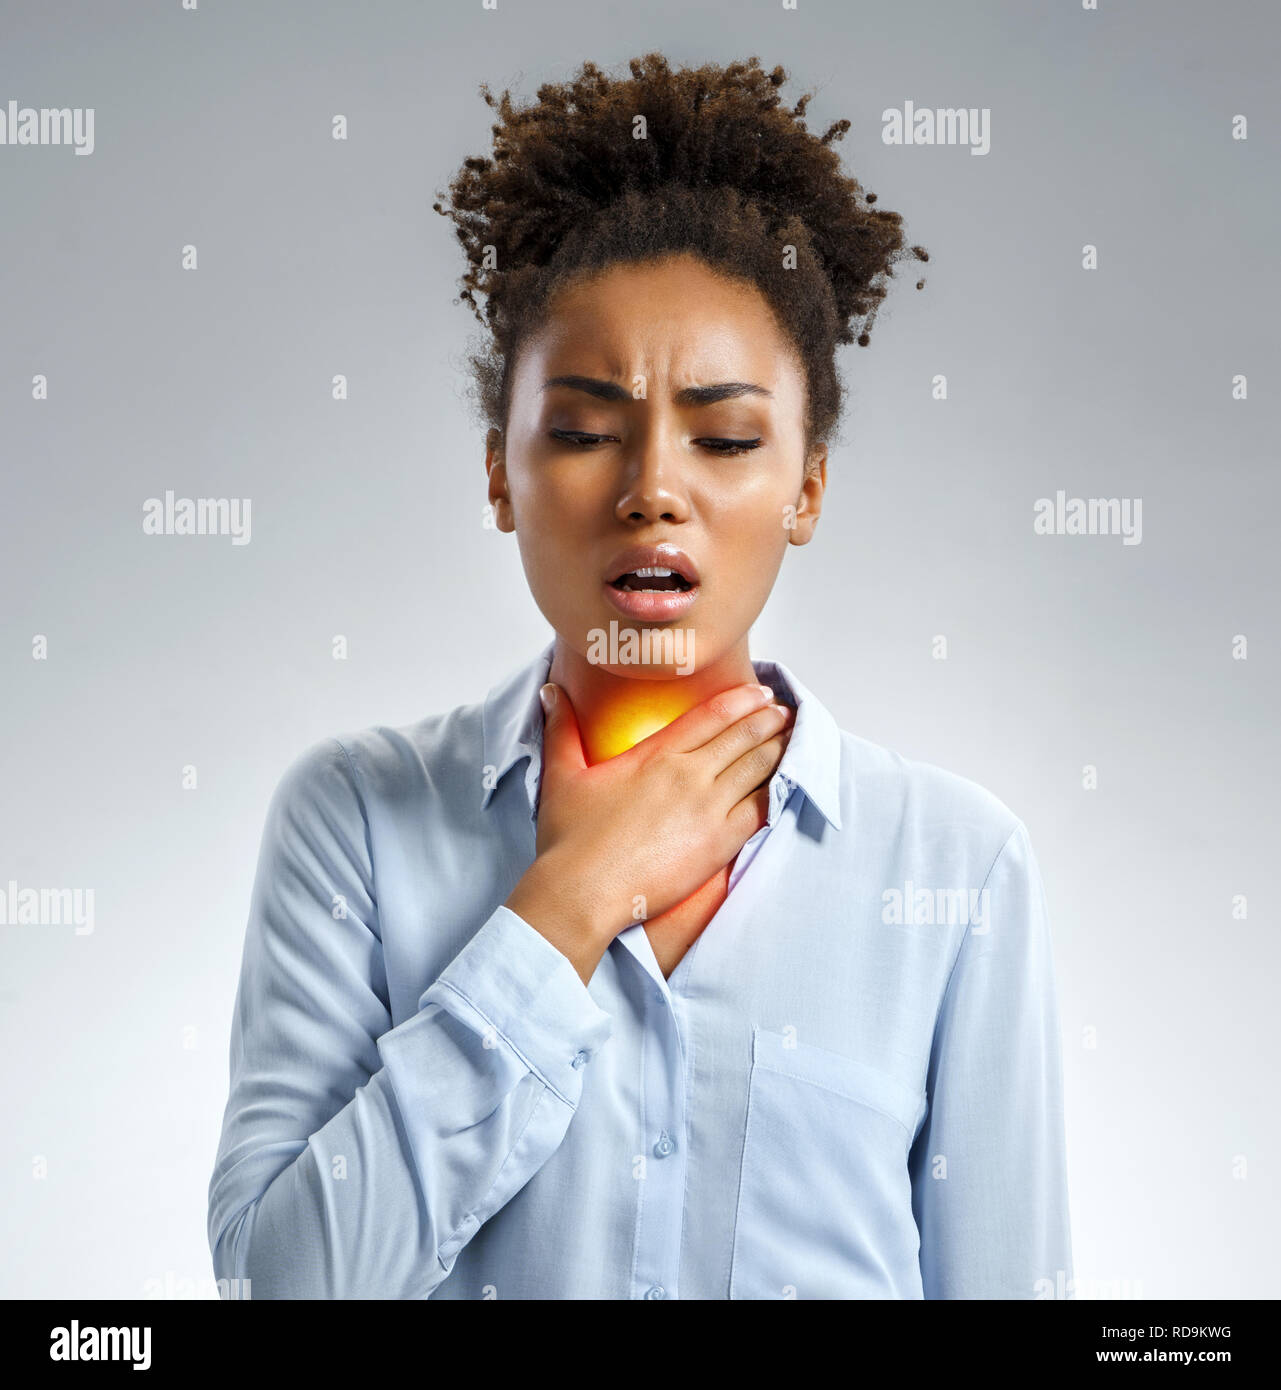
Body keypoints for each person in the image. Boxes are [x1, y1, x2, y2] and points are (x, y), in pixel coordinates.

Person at [207, 53, 1072, 1299]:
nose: (653, 487)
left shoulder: (956, 869)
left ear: (808, 487)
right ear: (501, 472)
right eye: (583, 430)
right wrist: (568, 899)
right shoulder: (355, 820)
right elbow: (275, 1286)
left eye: (724, 438)